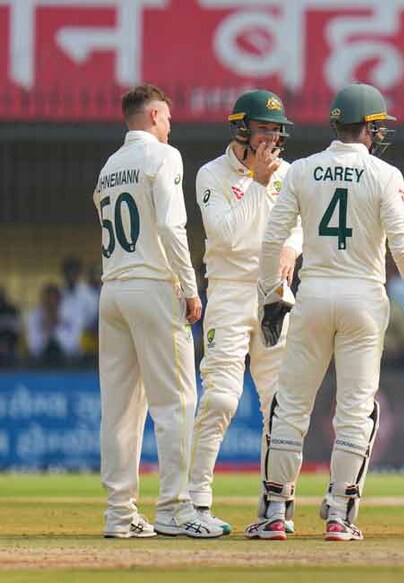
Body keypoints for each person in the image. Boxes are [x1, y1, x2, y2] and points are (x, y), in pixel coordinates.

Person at [244, 83, 404, 542]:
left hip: (313, 295)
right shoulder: (386, 175)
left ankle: (273, 511)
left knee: (289, 406)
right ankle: (340, 514)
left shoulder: (303, 170)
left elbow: (273, 240)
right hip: (364, 300)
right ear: (368, 127)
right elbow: (403, 244)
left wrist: (272, 293)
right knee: (354, 411)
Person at [94, 84, 219, 538]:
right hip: (152, 285)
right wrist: (190, 287)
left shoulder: (110, 167)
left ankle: (118, 513)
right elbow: (170, 224)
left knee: (120, 411)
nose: (171, 126)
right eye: (167, 118)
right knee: (178, 402)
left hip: (113, 289)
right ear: (153, 116)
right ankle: (174, 507)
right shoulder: (164, 156)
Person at [187, 89, 302, 535]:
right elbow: (228, 235)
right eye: (263, 129)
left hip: (274, 294)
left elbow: (300, 226)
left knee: (279, 404)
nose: (272, 137)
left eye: (277, 129)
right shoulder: (210, 175)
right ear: (241, 129)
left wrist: (292, 249)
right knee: (220, 398)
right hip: (231, 293)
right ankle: (197, 504)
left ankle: (275, 505)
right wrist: (255, 181)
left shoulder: (289, 174)